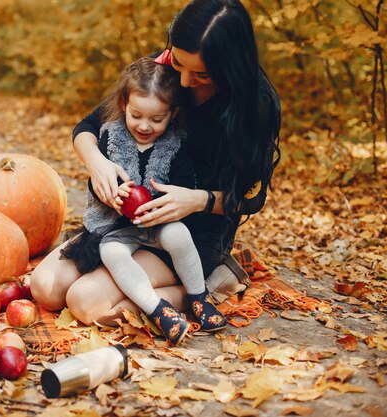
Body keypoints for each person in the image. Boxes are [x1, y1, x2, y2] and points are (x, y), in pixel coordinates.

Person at [31, 0, 281, 329]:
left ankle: (207, 287)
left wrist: (197, 200)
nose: (186, 81)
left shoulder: (254, 107)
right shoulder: (161, 72)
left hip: (189, 232)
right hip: (123, 222)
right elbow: (88, 128)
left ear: (229, 67)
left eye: (203, 74)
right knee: (45, 289)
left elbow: (251, 198)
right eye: (179, 62)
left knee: (85, 302)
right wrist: (97, 164)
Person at [59, 56, 226, 345]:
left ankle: (199, 297)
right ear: (124, 104)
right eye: (136, 116)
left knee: (179, 234)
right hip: (120, 227)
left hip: (159, 221)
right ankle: (158, 309)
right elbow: (99, 180)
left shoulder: (176, 143)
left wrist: (162, 199)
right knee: (112, 253)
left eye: (156, 119)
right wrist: (111, 192)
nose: (145, 126)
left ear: (172, 114)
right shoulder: (110, 135)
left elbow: (185, 185)